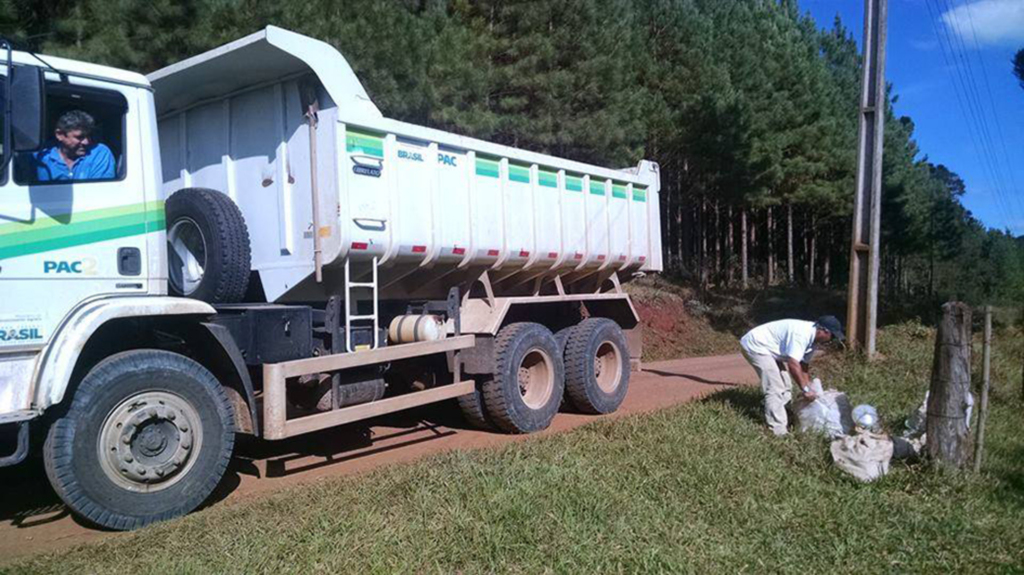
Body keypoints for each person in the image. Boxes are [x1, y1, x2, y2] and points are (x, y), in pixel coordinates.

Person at [739, 315, 844, 436]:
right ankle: (777, 429)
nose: (831, 340)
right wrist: (805, 390)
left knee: (787, 385)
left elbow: (803, 365)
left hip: (770, 349)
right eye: (832, 336)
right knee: (775, 387)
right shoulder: (801, 335)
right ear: (823, 331)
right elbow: (793, 364)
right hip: (755, 346)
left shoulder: (814, 341)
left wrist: (808, 387)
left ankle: (783, 414)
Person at [21, 110, 115, 182]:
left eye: (89, 136)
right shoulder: (39, 157)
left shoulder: (99, 153)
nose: (86, 142)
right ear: (60, 135)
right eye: (79, 137)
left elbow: (99, 191)